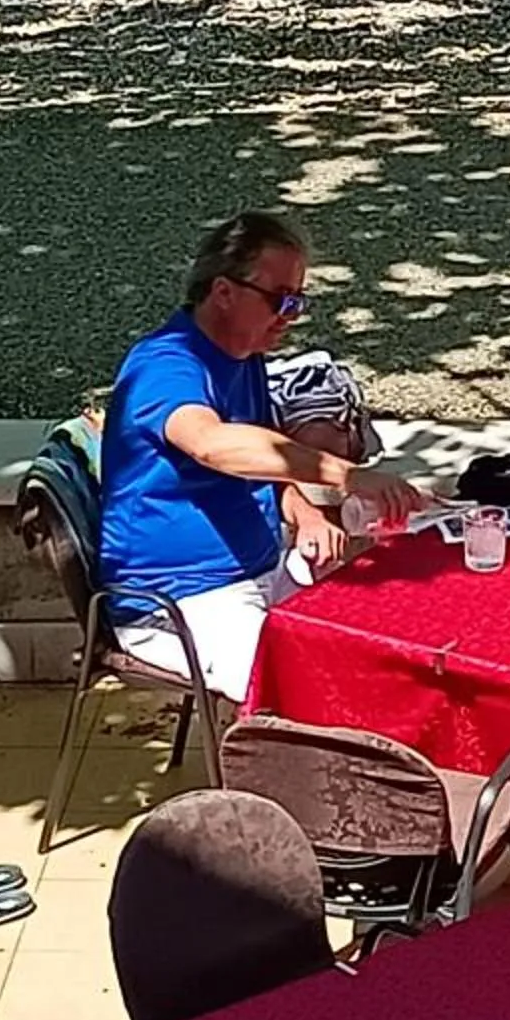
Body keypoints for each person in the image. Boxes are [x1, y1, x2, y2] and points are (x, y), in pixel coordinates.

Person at [97, 210, 424, 700]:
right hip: (177, 602)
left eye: (298, 300)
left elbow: (261, 458)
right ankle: (288, 775)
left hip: (259, 572)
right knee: (311, 692)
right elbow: (213, 444)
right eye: (280, 300)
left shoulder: (241, 356)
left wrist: (306, 514)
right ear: (223, 291)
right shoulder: (164, 365)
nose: (291, 315)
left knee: (380, 649)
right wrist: (347, 476)